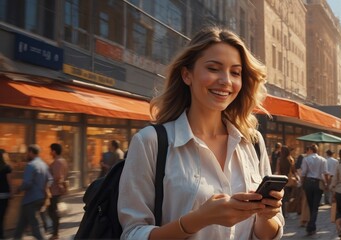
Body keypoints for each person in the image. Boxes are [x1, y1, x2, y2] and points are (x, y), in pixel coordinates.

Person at [117, 27, 284, 239]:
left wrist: (265, 215)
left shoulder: (253, 142)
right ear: (187, 75)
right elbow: (133, 233)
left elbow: (269, 234)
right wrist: (199, 219)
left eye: (235, 72)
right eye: (214, 68)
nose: (226, 80)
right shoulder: (150, 142)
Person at [14, 144, 53, 240]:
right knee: (21, 225)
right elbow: (50, 180)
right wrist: (43, 188)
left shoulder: (31, 165)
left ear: (31, 152)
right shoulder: (43, 164)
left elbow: (27, 183)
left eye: (27, 152)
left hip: (31, 200)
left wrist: (19, 189)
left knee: (36, 228)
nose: (26, 155)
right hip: (39, 198)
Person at [301, 144, 328, 236]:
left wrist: (302, 184)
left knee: (310, 204)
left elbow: (303, 173)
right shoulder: (323, 160)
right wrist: (326, 184)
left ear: (310, 150)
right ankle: (312, 225)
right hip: (318, 183)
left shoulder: (306, 159)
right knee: (315, 206)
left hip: (308, 182)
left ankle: (311, 226)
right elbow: (325, 173)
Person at [48, 143, 69, 240]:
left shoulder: (57, 162)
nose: (50, 152)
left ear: (54, 151)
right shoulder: (63, 160)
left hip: (54, 191)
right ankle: (54, 232)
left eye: (51, 150)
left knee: (53, 212)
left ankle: (55, 234)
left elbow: (57, 177)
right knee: (53, 211)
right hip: (56, 191)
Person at [276, 145, 296, 217]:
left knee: (283, 197)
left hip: (282, 180)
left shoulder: (279, 159)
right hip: (289, 179)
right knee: (288, 197)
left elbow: (278, 171)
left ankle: (283, 212)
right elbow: (293, 170)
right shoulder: (291, 159)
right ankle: (287, 212)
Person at [0, 149, 12, 239]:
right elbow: (9, 181)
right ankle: (1, 235)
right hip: (4, 194)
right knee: (2, 215)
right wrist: (11, 192)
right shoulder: (7, 167)